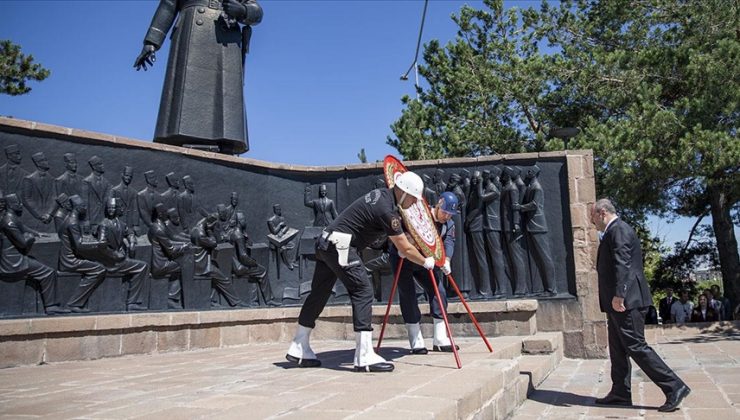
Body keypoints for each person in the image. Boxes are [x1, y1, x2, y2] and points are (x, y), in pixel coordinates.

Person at [286, 171, 436, 373]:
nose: (414, 204)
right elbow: (405, 249)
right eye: (413, 199)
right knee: (363, 291)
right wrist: (426, 260)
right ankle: (364, 355)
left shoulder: (382, 196)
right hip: (341, 245)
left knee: (319, 293)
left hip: (325, 241)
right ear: (404, 192)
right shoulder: (386, 210)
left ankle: (299, 345)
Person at [591, 198, 690, 412]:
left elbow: (623, 264)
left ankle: (674, 386)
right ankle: (620, 392)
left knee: (636, 346)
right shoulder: (613, 231)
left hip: (627, 302)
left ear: (601, 213)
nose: (592, 222)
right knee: (618, 348)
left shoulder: (618, 230)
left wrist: (620, 295)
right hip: (617, 303)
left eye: (592, 217)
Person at [134, 0, 263, 154]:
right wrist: (152, 41)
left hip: (226, 37)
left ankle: (225, 143)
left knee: (224, 97)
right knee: (187, 95)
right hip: (191, 30)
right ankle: (182, 138)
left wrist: (243, 10)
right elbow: (168, 5)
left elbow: (256, 11)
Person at [389, 192, 459, 354]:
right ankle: (416, 339)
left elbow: (449, 240)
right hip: (403, 258)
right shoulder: (421, 214)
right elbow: (400, 228)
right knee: (408, 295)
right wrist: (403, 247)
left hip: (426, 261)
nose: (447, 216)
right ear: (439, 205)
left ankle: (440, 338)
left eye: (450, 214)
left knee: (438, 292)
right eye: (445, 212)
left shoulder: (449, 224)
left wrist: (446, 259)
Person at [0, 194, 68, 315]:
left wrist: (37, 233)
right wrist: (30, 237)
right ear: (10, 206)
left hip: (16, 258)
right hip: (13, 263)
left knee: (38, 262)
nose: (21, 206)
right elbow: (23, 243)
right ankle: (51, 306)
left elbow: (23, 227)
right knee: (48, 272)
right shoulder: (9, 221)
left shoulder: (10, 217)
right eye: (18, 204)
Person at [95, 198, 148, 311]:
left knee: (141, 265)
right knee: (142, 266)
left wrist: (132, 241)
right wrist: (115, 254)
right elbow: (102, 246)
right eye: (109, 208)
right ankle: (132, 302)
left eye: (113, 208)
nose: (111, 210)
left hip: (119, 260)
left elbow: (129, 232)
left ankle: (132, 300)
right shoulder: (104, 225)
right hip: (110, 262)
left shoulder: (120, 223)